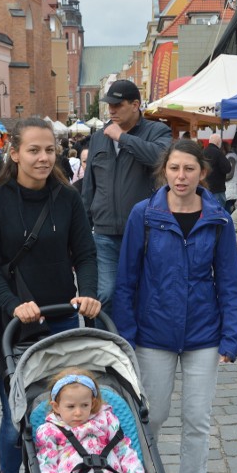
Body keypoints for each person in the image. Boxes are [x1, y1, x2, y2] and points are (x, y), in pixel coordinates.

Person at [0, 117, 100, 473]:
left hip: (61, 316)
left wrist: (90, 293)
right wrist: (14, 305)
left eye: (49, 150)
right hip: (13, 323)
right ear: (14, 153)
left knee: (63, 411)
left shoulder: (67, 198)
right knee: (18, 415)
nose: (43, 157)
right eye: (33, 150)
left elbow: (85, 252)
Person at [113, 139, 237, 473]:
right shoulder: (145, 215)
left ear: (202, 173)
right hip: (153, 334)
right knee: (151, 417)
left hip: (204, 334)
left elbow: (231, 283)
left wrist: (232, 336)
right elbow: (126, 281)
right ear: (164, 172)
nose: (181, 176)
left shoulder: (217, 217)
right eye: (174, 169)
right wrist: (127, 334)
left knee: (197, 418)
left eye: (189, 169)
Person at [35, 368, 207, 473]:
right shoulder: (49, 431)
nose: (78, 412)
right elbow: (46, 464)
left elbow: (124, 449)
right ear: (56, 407)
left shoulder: (105, 420)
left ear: (93, 403)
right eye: (70, 406)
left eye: (84, 405)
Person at [82, 79, 172, 317]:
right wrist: (82, 230)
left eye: (117, 104)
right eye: (109, 104)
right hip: (104, 233)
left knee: (144, 293)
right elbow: (89, 186)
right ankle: (105, 347)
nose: (111, 109)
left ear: (135, 105)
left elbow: (161, 159)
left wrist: (122, 138)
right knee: (106, 295)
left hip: (145, 231)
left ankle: (140, 346)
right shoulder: (99, 137)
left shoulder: (157, 131)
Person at [203, 133, 232, 208]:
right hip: (217, 189)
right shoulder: (219, 153)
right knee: (218, 213)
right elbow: (227, 168)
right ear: (218, 143)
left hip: (204, 188)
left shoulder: (202, 152)